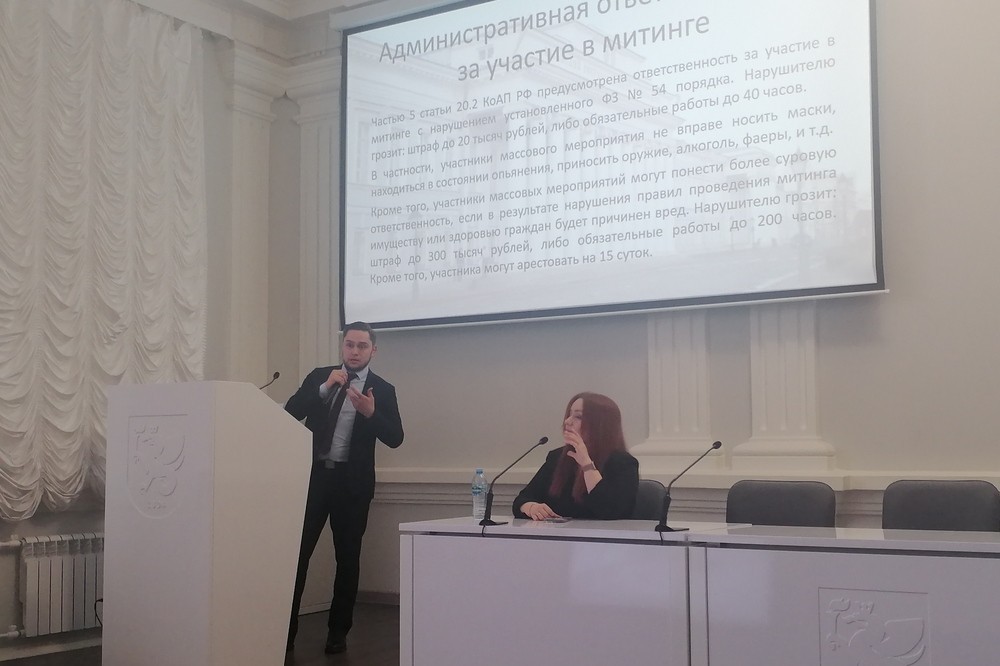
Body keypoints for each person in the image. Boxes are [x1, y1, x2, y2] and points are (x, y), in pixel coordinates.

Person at [284, 321, 404, 655]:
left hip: (352, 486)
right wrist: (324, 389)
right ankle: (285, 632)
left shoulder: (383, 389)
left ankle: (338, 632)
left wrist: (371, 413)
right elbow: (291, 412)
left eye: (362, 346)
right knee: (297, 556)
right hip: (314, 480)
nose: (354, 351)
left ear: (373, 350)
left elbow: (396, 437)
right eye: (349, 344)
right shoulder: (320, 377)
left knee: (348, 559)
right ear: (343, 347)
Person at [513, 392, 638, 520]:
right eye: (569, 414)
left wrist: (587, 465)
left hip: (599, 533)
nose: (567, 421)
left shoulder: (623, 463)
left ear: (600, 424)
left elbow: (610, 512)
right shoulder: (557, 457)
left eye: (578, 416)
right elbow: (523, 499)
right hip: (557, 532)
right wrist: (530, 507)